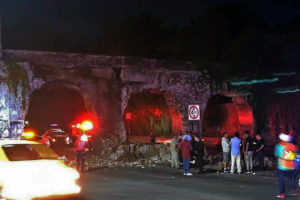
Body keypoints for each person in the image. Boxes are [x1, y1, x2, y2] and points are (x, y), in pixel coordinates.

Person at [274, 133, 298, 199]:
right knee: (291, 180)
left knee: (281, 180)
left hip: (282, 166)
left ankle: (282, 194)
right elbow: (296, 153)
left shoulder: (279, 146)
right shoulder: (292, 146)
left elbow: (277, 155)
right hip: (291, 167)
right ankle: (297, 190)